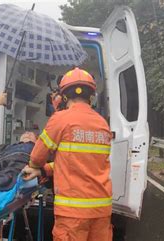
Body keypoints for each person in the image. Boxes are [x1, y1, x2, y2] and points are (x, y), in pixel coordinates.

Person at [22, 67, 113, 241]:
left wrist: (35, 168)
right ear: (91, 96)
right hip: (101, 210)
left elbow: (36, 157)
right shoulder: (102, 124)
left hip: (73, 213)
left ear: (64, 96)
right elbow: (80, 162)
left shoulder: (61, 119)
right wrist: (44, 171)